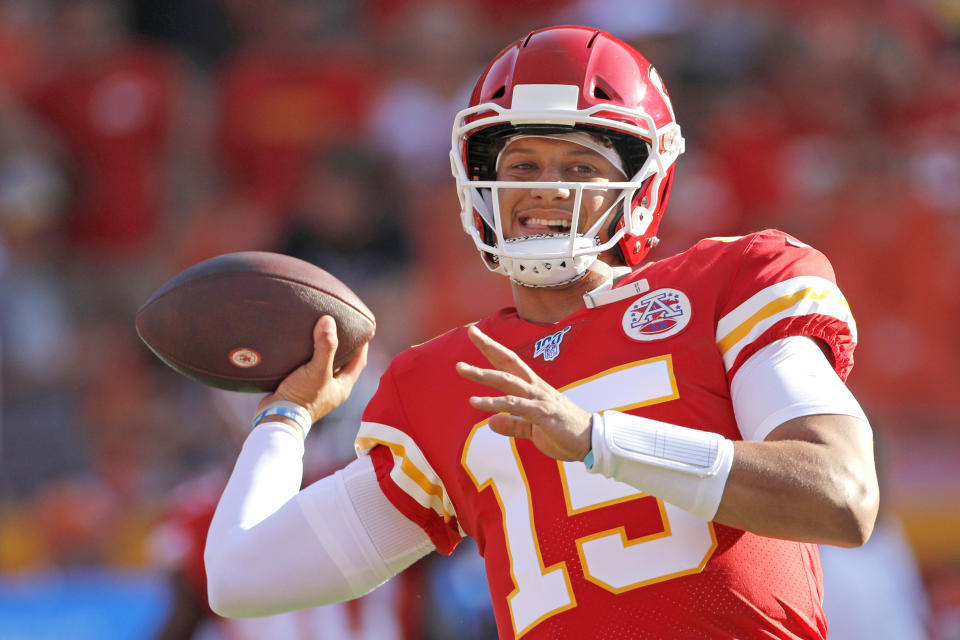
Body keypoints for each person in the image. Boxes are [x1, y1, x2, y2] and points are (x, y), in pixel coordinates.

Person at [204, 25, 879, 639]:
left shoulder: (732, 281)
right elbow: (241, 579)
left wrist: (597, 440)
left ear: (643, 185)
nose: (545, 189)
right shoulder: (446, 380)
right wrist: (285, 416)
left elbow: (841, 494)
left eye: (580, 167)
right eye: (521, 165)